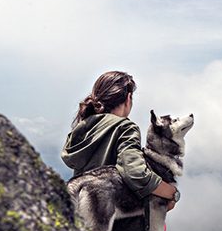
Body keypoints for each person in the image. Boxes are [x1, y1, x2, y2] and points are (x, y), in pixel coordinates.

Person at [61, 71, 178, 214]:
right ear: (128, 98)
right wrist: (171, 193)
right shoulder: (125, 128)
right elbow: (136, 172)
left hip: (82, 214)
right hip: (117, 223)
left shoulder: (83, 127)